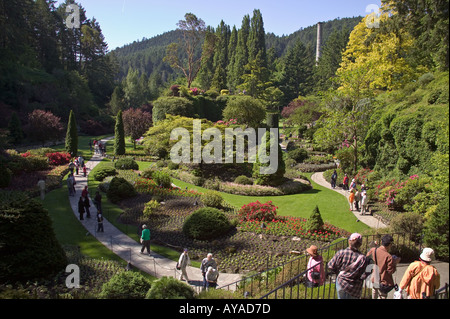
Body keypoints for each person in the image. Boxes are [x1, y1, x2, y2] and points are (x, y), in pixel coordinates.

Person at [327, 233, 368, 299]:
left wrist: (338, 272)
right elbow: (364, 275)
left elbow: (330, 265)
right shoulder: (363, 258)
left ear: (349, 241)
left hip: (342, 282)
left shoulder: (341, 253)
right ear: (360, 244)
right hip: (355, 287)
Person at [366, 235, 401, 299]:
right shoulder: (388, 256)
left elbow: (367, 258)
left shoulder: (374, 250)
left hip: (374, 277)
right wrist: (395, 263)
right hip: (383, 280)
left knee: (374, 292)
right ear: (389, 244)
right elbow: (390, 271)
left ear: (381, 242)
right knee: (382, 296)